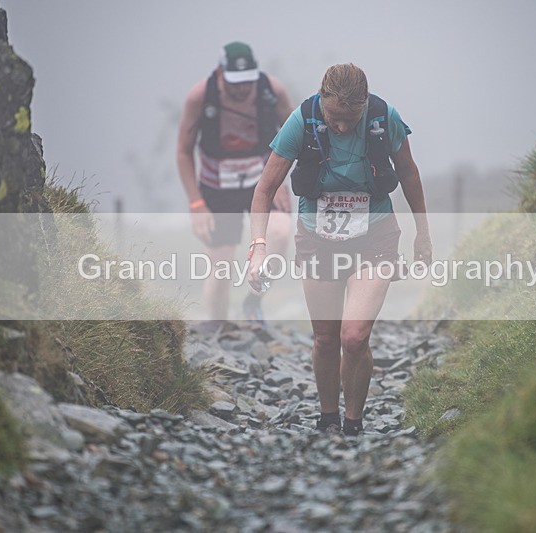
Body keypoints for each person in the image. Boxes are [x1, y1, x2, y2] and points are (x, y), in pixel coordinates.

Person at [247, 63, 432, 436]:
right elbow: (264, 190)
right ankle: (328, 416)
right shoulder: (302, 120)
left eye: (351, 118)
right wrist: (259, 248)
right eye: (334, 118)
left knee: (354, 336)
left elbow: (409, 174)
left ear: (364, 106)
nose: (343, 127)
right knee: (327, 338)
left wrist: (422, 233)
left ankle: (353, 422)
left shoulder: (384, 118)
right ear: (322, 101)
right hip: (317, 239)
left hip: (375, 237)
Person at [177, 41, 293, 323]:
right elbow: (183, 150)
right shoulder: (200, 97)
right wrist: (196, 203)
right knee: (221, 265)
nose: (242, 88)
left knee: (279, 233)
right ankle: (219, 326)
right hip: (218, 187)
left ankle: (254, 301)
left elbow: (295, 137)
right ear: (220, 74)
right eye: (235, 82)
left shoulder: (272, 91)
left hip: (263, 181)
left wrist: (280, 181)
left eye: (247, 81)